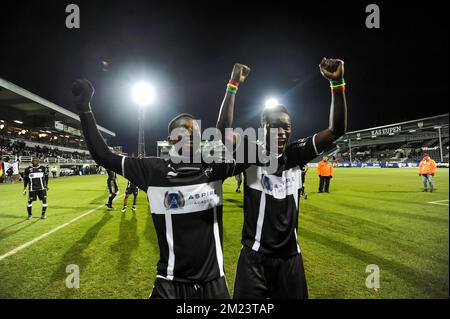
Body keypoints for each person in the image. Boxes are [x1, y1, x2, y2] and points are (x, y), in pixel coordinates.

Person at [71, 62, 251, 299]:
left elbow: (223, 130)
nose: (191, 135)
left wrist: (233, 85)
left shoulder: (213, 167)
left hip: (213, 284)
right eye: (183, 131)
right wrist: (85, 109)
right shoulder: (153, 170)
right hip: (170, 284)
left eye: (195, 131)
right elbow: (104, 156)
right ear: (170, 139)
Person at [216, 57, 347, 299]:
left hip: (290, 258)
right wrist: (233, 84)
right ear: (263, 127)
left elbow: (337, 130)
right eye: (275, 126)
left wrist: (337, 83)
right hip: (254, 258)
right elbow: (223, 131)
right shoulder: (252, 153)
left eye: (287, 127)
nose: (282, 131)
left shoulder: (298, 153)